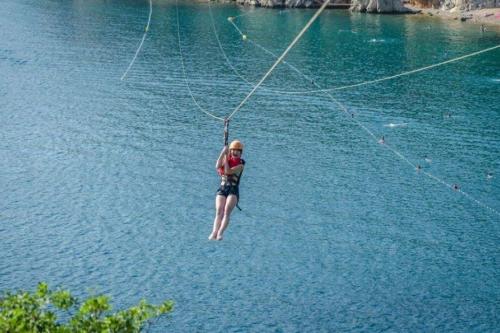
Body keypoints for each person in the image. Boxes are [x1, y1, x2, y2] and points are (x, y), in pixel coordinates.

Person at [209, 140, 245, 241]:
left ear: (241, 153)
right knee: (219, 211)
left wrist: (226, 157)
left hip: (233, 190)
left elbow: (228, 171)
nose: (235, 152)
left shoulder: (241, 165)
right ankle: (214, 232)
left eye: (238, 151)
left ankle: (220, 233)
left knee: (226, 211)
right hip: (223, 187)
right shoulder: (226, 158)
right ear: (230, 151)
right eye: (233, 150)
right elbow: (217, 166)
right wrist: (223, 152)